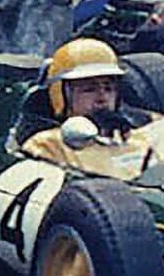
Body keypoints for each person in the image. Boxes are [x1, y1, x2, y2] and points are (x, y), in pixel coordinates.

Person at [22, 38, 154, 178]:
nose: (102, 98)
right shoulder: (47, 145)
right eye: (89, 90)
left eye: (109, 89)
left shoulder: (141, 138)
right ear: (61, 95)